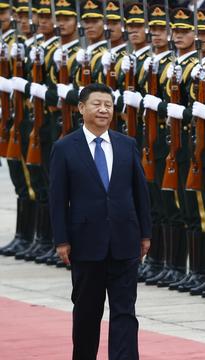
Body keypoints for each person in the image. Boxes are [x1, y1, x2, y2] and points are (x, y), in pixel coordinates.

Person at [49, 83, 152, 360]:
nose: (104, 109)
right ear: (81, 108)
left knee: (125, 312)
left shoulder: (126, 144)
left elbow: (140, 192)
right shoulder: (65, 147)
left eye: (108, 104)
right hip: (85, 243)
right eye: (97, 104)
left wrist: (145, 234)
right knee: (86, 313)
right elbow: (57, 199)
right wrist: (61, 239)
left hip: (125, 240)